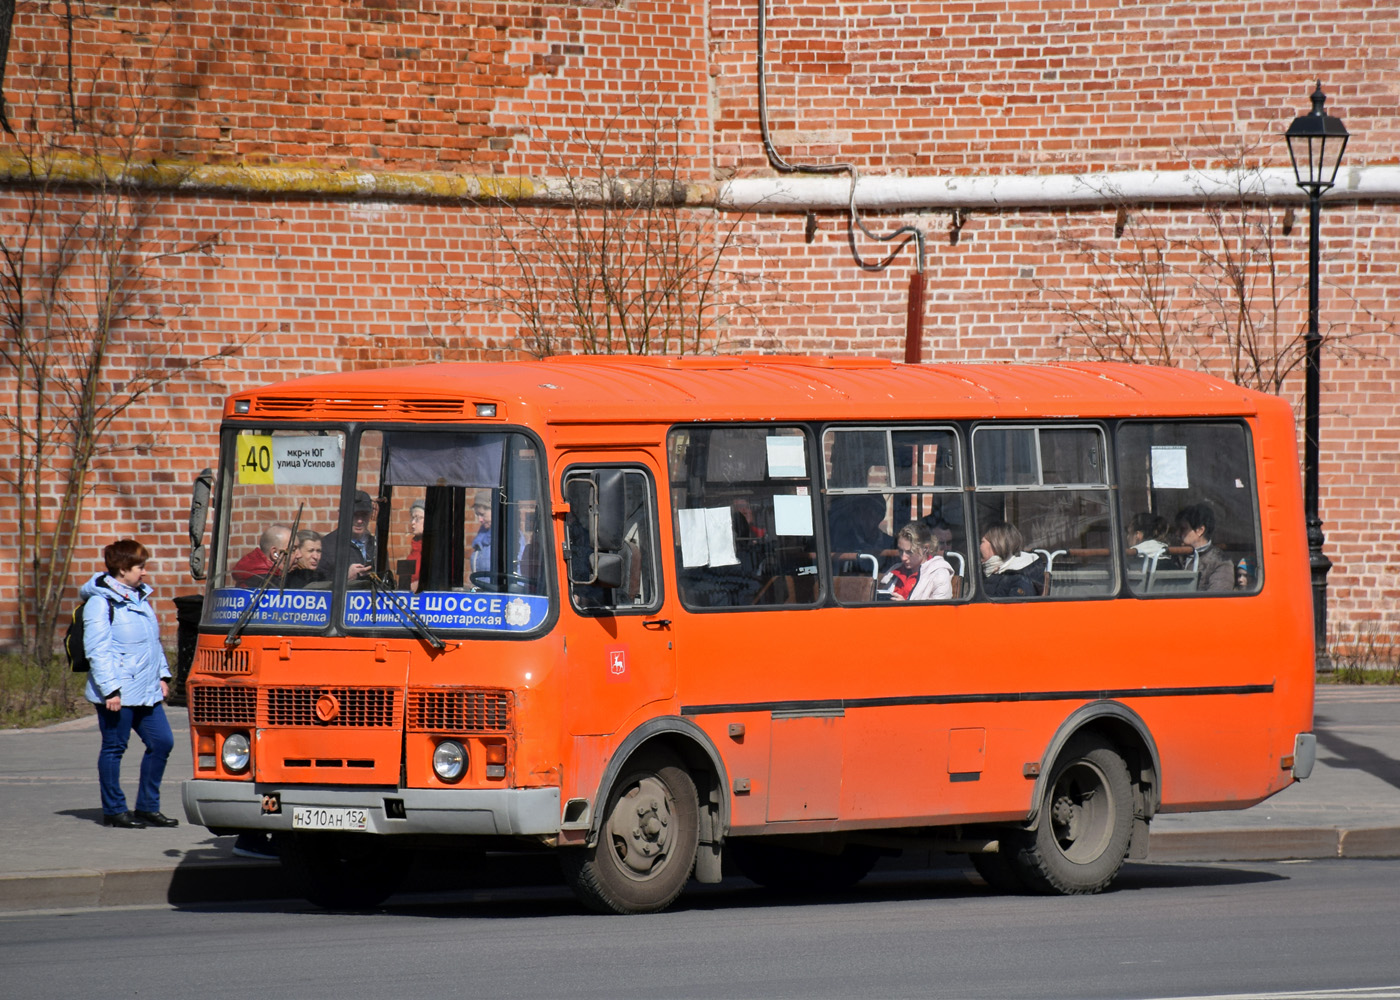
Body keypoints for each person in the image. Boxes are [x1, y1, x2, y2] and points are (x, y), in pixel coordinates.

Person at [82, 539, 178, 829]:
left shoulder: (140, 598)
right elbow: (97, 650)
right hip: (118, 694)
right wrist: (110, 689)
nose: (145, 572)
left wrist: (162, 675)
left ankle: (148, 807)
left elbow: (153, 643)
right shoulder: (100, 602)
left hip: (146, 690)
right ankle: (114, 809)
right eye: (140, 567)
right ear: (122, 569)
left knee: (162, 742)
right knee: (114, 747)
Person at [885, 521, 953, 601]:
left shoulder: (939, 574)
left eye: (910, 552)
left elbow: (940, 612)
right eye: (900, 551)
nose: (903, 557)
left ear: (925, 549)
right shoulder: (895, 570)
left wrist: (905, 608)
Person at [1174, 503, 1234, 592]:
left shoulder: (1220, 562)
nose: (1177, 534)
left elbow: (1217, 599)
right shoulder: (1177, 558)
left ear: (1200, 530)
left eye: (1183, 529)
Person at [979, 521, 1046, 597]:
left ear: (996, 544)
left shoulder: (1020, 579)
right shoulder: (990, 573)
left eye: (982, 542)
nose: (979, 546)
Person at [322, 490, 378, 581]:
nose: (360, 521)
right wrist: (343, 578)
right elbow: (317, 585)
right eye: (354, 515)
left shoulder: (375, 544)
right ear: (341, 515)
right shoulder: (327, 545)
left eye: (364, 515)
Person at [470, 490, 493, 577]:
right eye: (477, 515)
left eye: (482, 514)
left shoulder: (512, 539)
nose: (479, 519)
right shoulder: (482, 536)